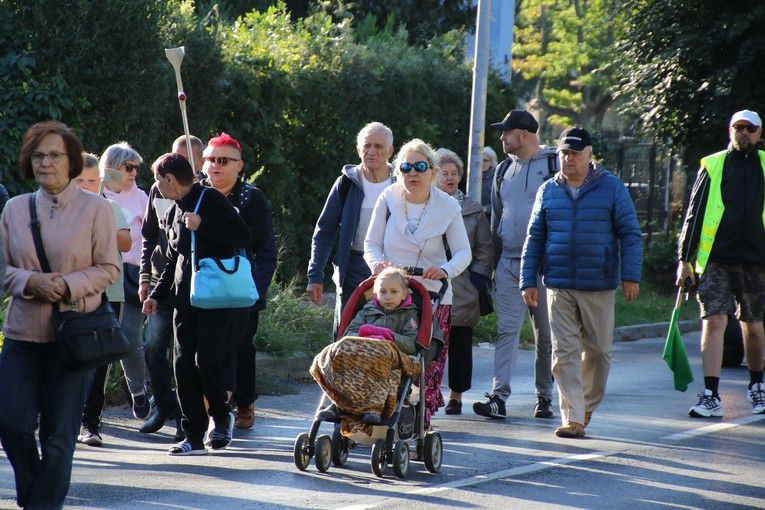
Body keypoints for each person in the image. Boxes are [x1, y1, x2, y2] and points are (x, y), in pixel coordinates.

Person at [0, 121, 120, 508]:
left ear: (70, 161)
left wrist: (68, 285)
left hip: (75, 337)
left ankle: (41, 504)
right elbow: (2, 270)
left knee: (58, 436)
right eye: (38, 155)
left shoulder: (97, 209)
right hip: (22, 334)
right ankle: (39, 495)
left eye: (54, 155)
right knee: (11, 423)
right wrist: (32, 281)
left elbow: (109, 268)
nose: (45, 162)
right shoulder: (14, 209)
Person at [520, 126, 642, 438]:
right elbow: (535, 237)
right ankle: (573, 416)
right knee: (564, 353)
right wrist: (528, 280)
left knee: (599, 352)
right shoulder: (548, 190)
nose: (568, 159)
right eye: (563, 153)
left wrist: (630, 276)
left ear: (589, 155)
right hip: (558, 284)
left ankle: (586, 404)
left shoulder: (611, 188)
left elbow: (629, 233)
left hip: (598, 283)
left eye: (574, 153)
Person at [142, 153, 253, 456]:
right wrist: (156, 295)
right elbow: (173, 259)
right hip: (185, 300)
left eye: (157, 180)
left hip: (217, 299)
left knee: (206, 361)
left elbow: (243, 235)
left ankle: (221, 414)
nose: (156, 186)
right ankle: (192, 433)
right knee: (181, 365)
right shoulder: (172, 210)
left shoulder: (211, 199)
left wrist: (203, 226)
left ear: (169, 178)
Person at [364, 138, 472, 429]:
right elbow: (371, 243)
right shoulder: (388, 198)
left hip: (431, 291)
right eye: (406, 167)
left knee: (427, 362)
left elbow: (463, 252)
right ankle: (377, 414)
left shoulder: (447, 205)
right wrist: (378, 265)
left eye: (420, 167)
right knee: (386, 353)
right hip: (391, 291)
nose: (413, 173)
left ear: (433, 172)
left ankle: (421, 423)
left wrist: (446, 270)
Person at [677, 109, 765, 418]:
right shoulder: (712, 165)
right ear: (730, 131)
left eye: (749, 128)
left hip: (757, 260)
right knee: (714, 321)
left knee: (753, 326)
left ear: (759, 133)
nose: (743, 133)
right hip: (716, 260)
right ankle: (711, 395)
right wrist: (684, 260)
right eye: (738, 127)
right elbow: (694, 214)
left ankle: (757, 387)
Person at [473, 109, 556, 420]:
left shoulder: (553, 165)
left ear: (523, 135)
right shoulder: (503, 169)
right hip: (508, 262)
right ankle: (498, 397)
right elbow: (496, 218)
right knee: (506, 331)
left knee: (545, 334)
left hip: (544, 266)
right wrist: (493, 263)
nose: (502, 137)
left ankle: (544, 396)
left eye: (507, 132)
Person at [200, 132, 277, 430]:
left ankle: (244, 402)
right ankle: (210, 404)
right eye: (210, 159)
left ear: (239, 165)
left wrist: (255, 292)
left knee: (241, 345)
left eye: (223, 160)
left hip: (243, 285)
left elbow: (264, 247)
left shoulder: (251, 198)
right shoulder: (198, 194)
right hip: (206, 285)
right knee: (207, 347)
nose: (215, 165)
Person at [138, 135, 205, 441]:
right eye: (176, 158)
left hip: (190, 284)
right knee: (153, 345)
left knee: (184, 353)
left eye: (188, 160)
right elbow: (148, 236)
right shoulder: (158, 189)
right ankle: (163, 404)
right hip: (160, 280)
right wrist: (144, 278)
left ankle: (185, 412)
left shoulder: (205, 192)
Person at [307, 122, 396, 337]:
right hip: (352, 270)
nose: (371, 151)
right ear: (358, 150)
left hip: (393, 271)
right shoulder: (346, 183)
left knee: (388, 337)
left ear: (390, 151)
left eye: (378, 146)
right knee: (346, 337)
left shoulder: (401, 183)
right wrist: (315, 275)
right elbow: (325, 231)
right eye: (366, 146)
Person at [74, 153, 132, 447]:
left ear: (101, 181)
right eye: (80, 180)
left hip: (109, 294)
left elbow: (125, 242)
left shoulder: (110, 207)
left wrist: (99, 222)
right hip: (70, 294)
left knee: (101, 361)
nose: (86, 186)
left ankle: (91, 423)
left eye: (92, 180)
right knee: (67, 357)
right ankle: (62, 417)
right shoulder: (59, 208)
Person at [316, 266, 422, 425]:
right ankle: (338, 403)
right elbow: (350, 332)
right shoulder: (367, 310)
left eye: (394, 292)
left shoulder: (409, 314)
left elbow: (410, 344)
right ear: (376, 293)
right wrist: (367, 338)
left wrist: (389, 336)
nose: (387, 296)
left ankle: (375, 406)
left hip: (394, 360)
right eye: (383, 291)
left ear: (404, 294)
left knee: (382, 352)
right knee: (339, 348)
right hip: (363, 357)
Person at [434, 148, 492, 415]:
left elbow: (484, 249)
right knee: (426, 342)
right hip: (430, 285)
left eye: (454, 173)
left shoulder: (472, 209)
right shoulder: (424, 206)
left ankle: (456, 396)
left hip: (463, 287)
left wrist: (477, 282)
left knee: (459, 344)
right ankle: (423, 393)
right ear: (434, 176)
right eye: (444, 173)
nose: (450, 178)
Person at [100, 142, 151, 420]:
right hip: (100, 275)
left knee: (130, 337)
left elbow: (155, 236)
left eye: (136, 168)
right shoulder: (93, 193)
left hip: (133, 276)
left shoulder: (142, 197)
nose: (133, 173)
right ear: (111, 167)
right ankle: (90, 405)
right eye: (127, 167)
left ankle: (138, 391)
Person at [481, 146, 498, 220]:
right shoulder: (475, 177)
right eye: (480, 160)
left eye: (485, 160)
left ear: (491, 162)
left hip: (492, 218)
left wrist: (485, 208)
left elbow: (500, 203)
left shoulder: (496, 177)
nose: (482, 163)